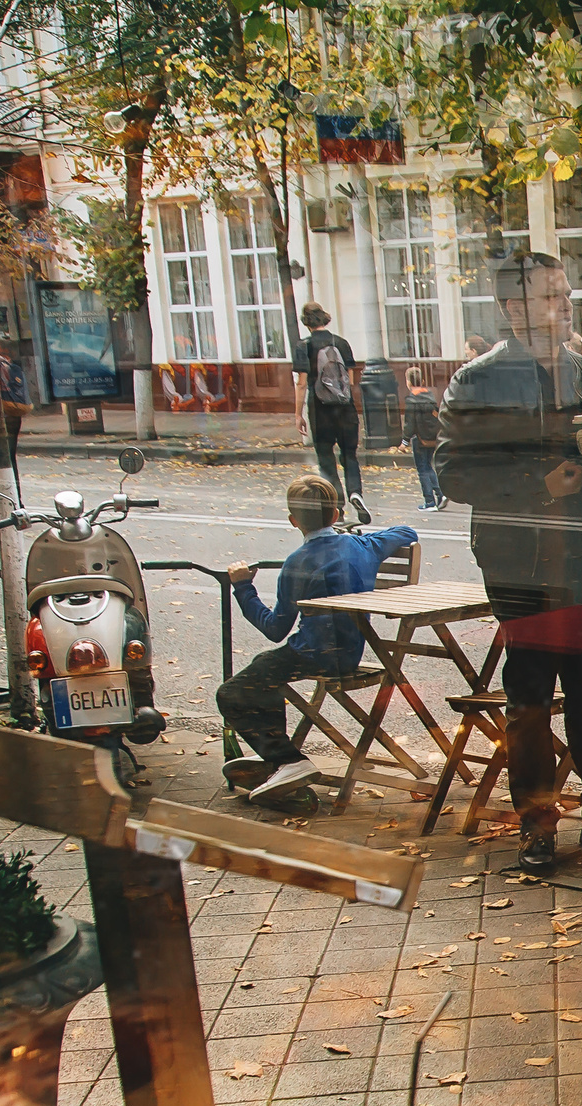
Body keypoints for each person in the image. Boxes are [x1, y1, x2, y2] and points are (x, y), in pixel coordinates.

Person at [440, 251, 582, 871]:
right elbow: (455, 471)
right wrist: (540, 484)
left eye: (567, 295)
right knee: (527, 698)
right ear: (512, 310)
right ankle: (537, 825)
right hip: (519, 562)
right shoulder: (478, 381)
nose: (564, 307)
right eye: (550, 297)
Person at [216, 475, 419, 801]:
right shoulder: (363, 545)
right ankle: (278, 757)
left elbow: (275, 629)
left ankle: (285, 758)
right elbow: (408, 532)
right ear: (336, 515)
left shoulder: (297, 563)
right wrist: (356, 537)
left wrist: (243, 588)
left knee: (233, 692)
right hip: (350, 654)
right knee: (263, 668)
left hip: (314, 655)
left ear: (293, 521)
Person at [292, 304, 365, 502]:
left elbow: (301, 384)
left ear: (306, 322)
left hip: (320, 410)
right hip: (345, 407)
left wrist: (299, 415)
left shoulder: (304, 346)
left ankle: (337, 504)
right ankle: (355, 493)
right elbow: (350, 381)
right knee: (349, 455)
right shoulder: (341, 343)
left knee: (326, 458)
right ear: (324, 318)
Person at [403, 368, 444, 511]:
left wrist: (404, 441)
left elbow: (410, 423)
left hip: (419, 438)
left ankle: (429, 502)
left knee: (422, 470)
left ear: (408, 382)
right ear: (423, 381)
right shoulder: (430, 396)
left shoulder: (412, 400)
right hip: (432, 437)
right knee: (428, 466)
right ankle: (441, 494)